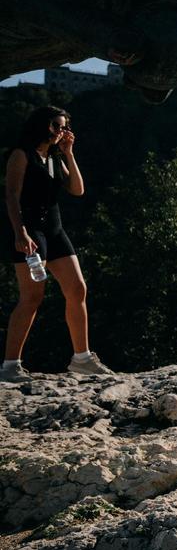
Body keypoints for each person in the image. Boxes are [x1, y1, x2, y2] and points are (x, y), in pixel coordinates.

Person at [2, 106, 114, 382]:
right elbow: (11, 196)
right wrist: (20, 232)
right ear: (41, 124)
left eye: (64, 127)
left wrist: (69, 153)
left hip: (55, 230)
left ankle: (82, 359)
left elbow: (77, 189)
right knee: (32, 297)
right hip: (30, 232)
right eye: (56, 125)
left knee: (77, 289)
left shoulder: (53, 157)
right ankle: (10, 366)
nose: (60, 131)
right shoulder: (21, 154)